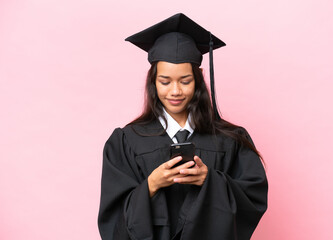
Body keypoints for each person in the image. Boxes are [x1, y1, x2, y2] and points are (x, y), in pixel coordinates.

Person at [98, 13, 268, 240]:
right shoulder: (126, 141)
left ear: (197, 82)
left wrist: (210, 181)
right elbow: (113, 219)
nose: (175, 91)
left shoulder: (230, 140)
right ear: (153, 82)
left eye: (185, 81)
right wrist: (151, 185)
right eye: (165, 81)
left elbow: (252, 201)